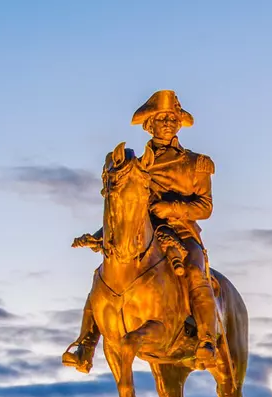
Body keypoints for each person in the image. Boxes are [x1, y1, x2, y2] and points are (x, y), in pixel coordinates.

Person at [63, 90, 220, 371]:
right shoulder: (136, 166)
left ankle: (207, 340)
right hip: (140, 232)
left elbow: (205, 207)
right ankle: (85, 344)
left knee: (195, 272)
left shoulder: (197, 163)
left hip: (182, 232)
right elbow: (125, 205)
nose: (168, 123)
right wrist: (102, 234)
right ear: (150, 124)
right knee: (104, 273)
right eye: (161, 118)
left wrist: (168, 208)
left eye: (172, 118)